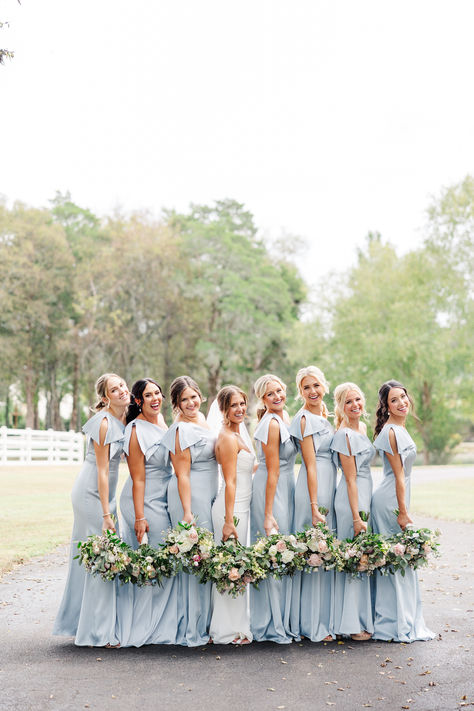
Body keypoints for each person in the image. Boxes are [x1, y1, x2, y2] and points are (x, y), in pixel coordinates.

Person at [53, 373, 130, 646]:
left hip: (103, 492)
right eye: (114, 388)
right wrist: (107, 514)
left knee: (99, 556)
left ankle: (83, 623)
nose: (121, 390)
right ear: (104, 397)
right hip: (91, 493)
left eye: (122, 385)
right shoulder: (105, 422)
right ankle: (98, 632)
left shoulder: (123, 418)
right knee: (102, 557)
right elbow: (101, 468)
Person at [371, 380, 434, 642]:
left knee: (402, 562)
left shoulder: (401, 428)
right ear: (386, 406)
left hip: (398, 496)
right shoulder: (390, 432)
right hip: (390, 502)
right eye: (394, 400)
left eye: (403, 397)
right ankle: (393, 623)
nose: (402, 403)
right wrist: (403, 512)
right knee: (395, 561)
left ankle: (405, 618)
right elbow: (398, 477)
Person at [118, 378, 179, 646]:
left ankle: (161, 625)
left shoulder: (162, 423)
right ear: (138, 401)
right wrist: (140, 517)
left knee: (163, 560)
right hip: (141, 501)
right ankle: (142, 628)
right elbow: (138, 478)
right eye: (148, 395)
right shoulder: (134, 430)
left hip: (162, 499)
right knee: (152, 563)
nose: (155, 398)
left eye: (158, 393)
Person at [161, 376, 219, 646]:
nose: (191, 402)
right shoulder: (179, 430)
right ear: (176, 404)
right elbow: (181, 474)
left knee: (205, 557)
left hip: (208, 493)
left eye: (194, 396)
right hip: (190, 496)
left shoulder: (203, 422)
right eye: (184, 399)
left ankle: (207, 622)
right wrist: (186, 513)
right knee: (195, 558)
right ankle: (192, 628)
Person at [289, 366, 336, 642]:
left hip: (329, 481)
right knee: (313, 553)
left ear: (324, 386)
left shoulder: (323, 414)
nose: (312, 391)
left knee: (326, 552)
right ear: (300, 392)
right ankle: (312, 624)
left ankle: (325, 618)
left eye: (316, 385)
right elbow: (309, 464)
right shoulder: (304, 419)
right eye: (306, 387)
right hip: (313, 485)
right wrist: (314, 505)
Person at [250, 374, 297, 644]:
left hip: (285, 487)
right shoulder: (271, 424)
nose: (277, 396)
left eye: (279, 390)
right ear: (262, 399)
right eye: (271, 394)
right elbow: (271, 471)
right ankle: (271, 623)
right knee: (275, 550)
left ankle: (282, 618)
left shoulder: (283, 417)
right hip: (273, 490)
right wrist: (268, 514)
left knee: (284, 552)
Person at [209, 386, 255, 645]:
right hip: (232, 510)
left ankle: (237, 625)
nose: (239, 409)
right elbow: (229, 481)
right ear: (223, 409)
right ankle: (227, 630)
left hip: (242, 508)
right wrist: (228, 521)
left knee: (237, 568)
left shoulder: (239, 434)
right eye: (233, 405)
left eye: (242, 404)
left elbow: (245, 469)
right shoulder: (226, 437)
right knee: (231, 569)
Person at [331, 382, 375, 641]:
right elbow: (349, 479)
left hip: (365, 493)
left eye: (357, 399)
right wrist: (357, 517)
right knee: (353, 558)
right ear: (340, 406)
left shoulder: (362, 427)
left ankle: (359, 617)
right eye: (348, 402)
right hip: (351, 501)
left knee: (362, 559)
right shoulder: (344, 434)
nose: (355, 405)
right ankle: (350, 624)